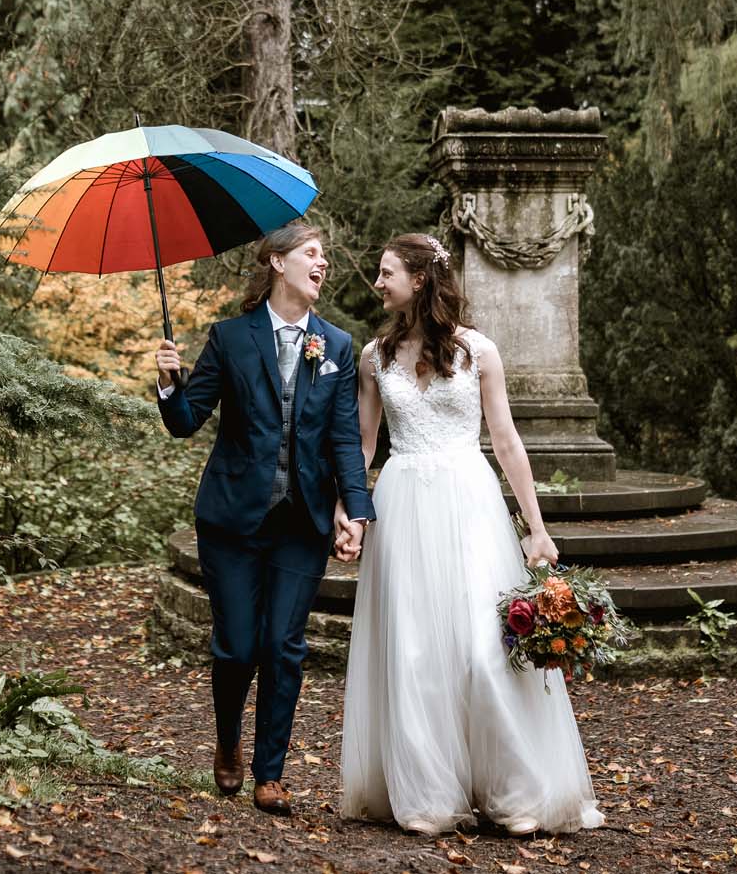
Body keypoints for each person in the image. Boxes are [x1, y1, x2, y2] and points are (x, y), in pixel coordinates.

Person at [339, 232, 603, 836]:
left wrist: (536, 529)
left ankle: (518, 793)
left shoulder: (478, 351)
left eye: (386, 274)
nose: (377, 283)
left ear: (420, 280)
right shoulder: (374, 357)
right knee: (414, 653)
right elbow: (364, 444)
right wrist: (346, 509)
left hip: (469, 503)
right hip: (402, 502)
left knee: (486, 655)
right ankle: (426, 794)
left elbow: (506, 441)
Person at [153, 220, 376, 816]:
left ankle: (269, 773)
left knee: (284, 645)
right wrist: (169, 382)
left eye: (324, 256)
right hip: (232, 521)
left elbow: (345, 438)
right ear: (278, 263)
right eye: (312, 253)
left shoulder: (336, 344)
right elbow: (184, 422)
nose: (322, 263)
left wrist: (356, 509)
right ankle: (226, 741)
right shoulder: (230, 338)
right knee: (235, 647)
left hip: (302, 522)